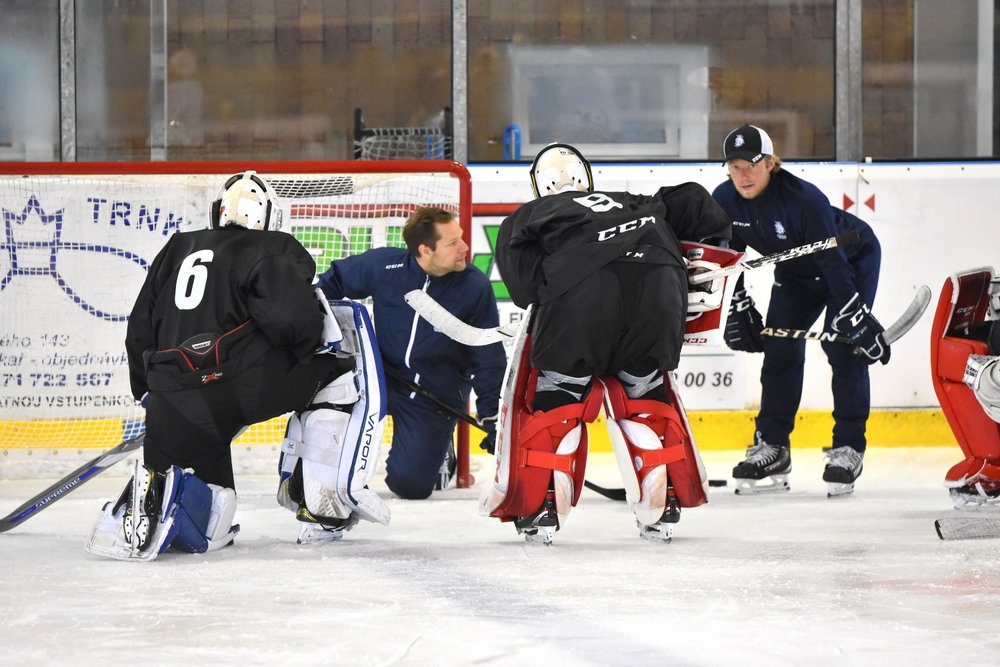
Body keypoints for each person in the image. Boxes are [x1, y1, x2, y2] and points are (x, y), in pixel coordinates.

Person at [86, 171, 389, 560]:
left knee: (213, 514)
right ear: (268, 216)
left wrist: (148, 392)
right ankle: (320, 509)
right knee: (338, 375)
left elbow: (140, 327)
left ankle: (160, 493)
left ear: (218, 211)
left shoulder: (176, 248)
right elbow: (293, 324)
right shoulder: (272, 246)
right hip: (241, 387)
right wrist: (304, 354)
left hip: (169, 398)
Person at [480, 143, 733, 544]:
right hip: (660, 283)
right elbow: (694, 200)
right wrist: (703, 257)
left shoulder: (531, 214)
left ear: (540, 186)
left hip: (582, 293)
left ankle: (543, 504)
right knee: (644, 392)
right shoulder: (636, 201)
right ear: (587, 179)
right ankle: (662, 502)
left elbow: (525, 290)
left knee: (559, 396)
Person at [712, 124, 890, 498]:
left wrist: (851, 315)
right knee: (779, 351)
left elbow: (834, 263)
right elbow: (727, 258)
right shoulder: (725, 199)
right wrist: (736, 303)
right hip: (796, 274)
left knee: (844, 347)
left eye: (751, 164)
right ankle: (773, 446)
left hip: (850, 260)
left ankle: (848, 447)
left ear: (772, 162)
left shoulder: (803, 200)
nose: (743, 175)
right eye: (734, 166)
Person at [315, 206, 506, 500]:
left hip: (434, 395)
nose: (464, 247)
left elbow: (487, 355)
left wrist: (493, 416)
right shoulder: (386, 267)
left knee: (410, 486)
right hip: (381, 379)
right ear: (425, 250)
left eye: (462, 239)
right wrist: (312, 322)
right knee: (329, 412)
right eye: (453, 242)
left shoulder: (474, 286)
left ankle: (440, 450)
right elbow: (331, 283)